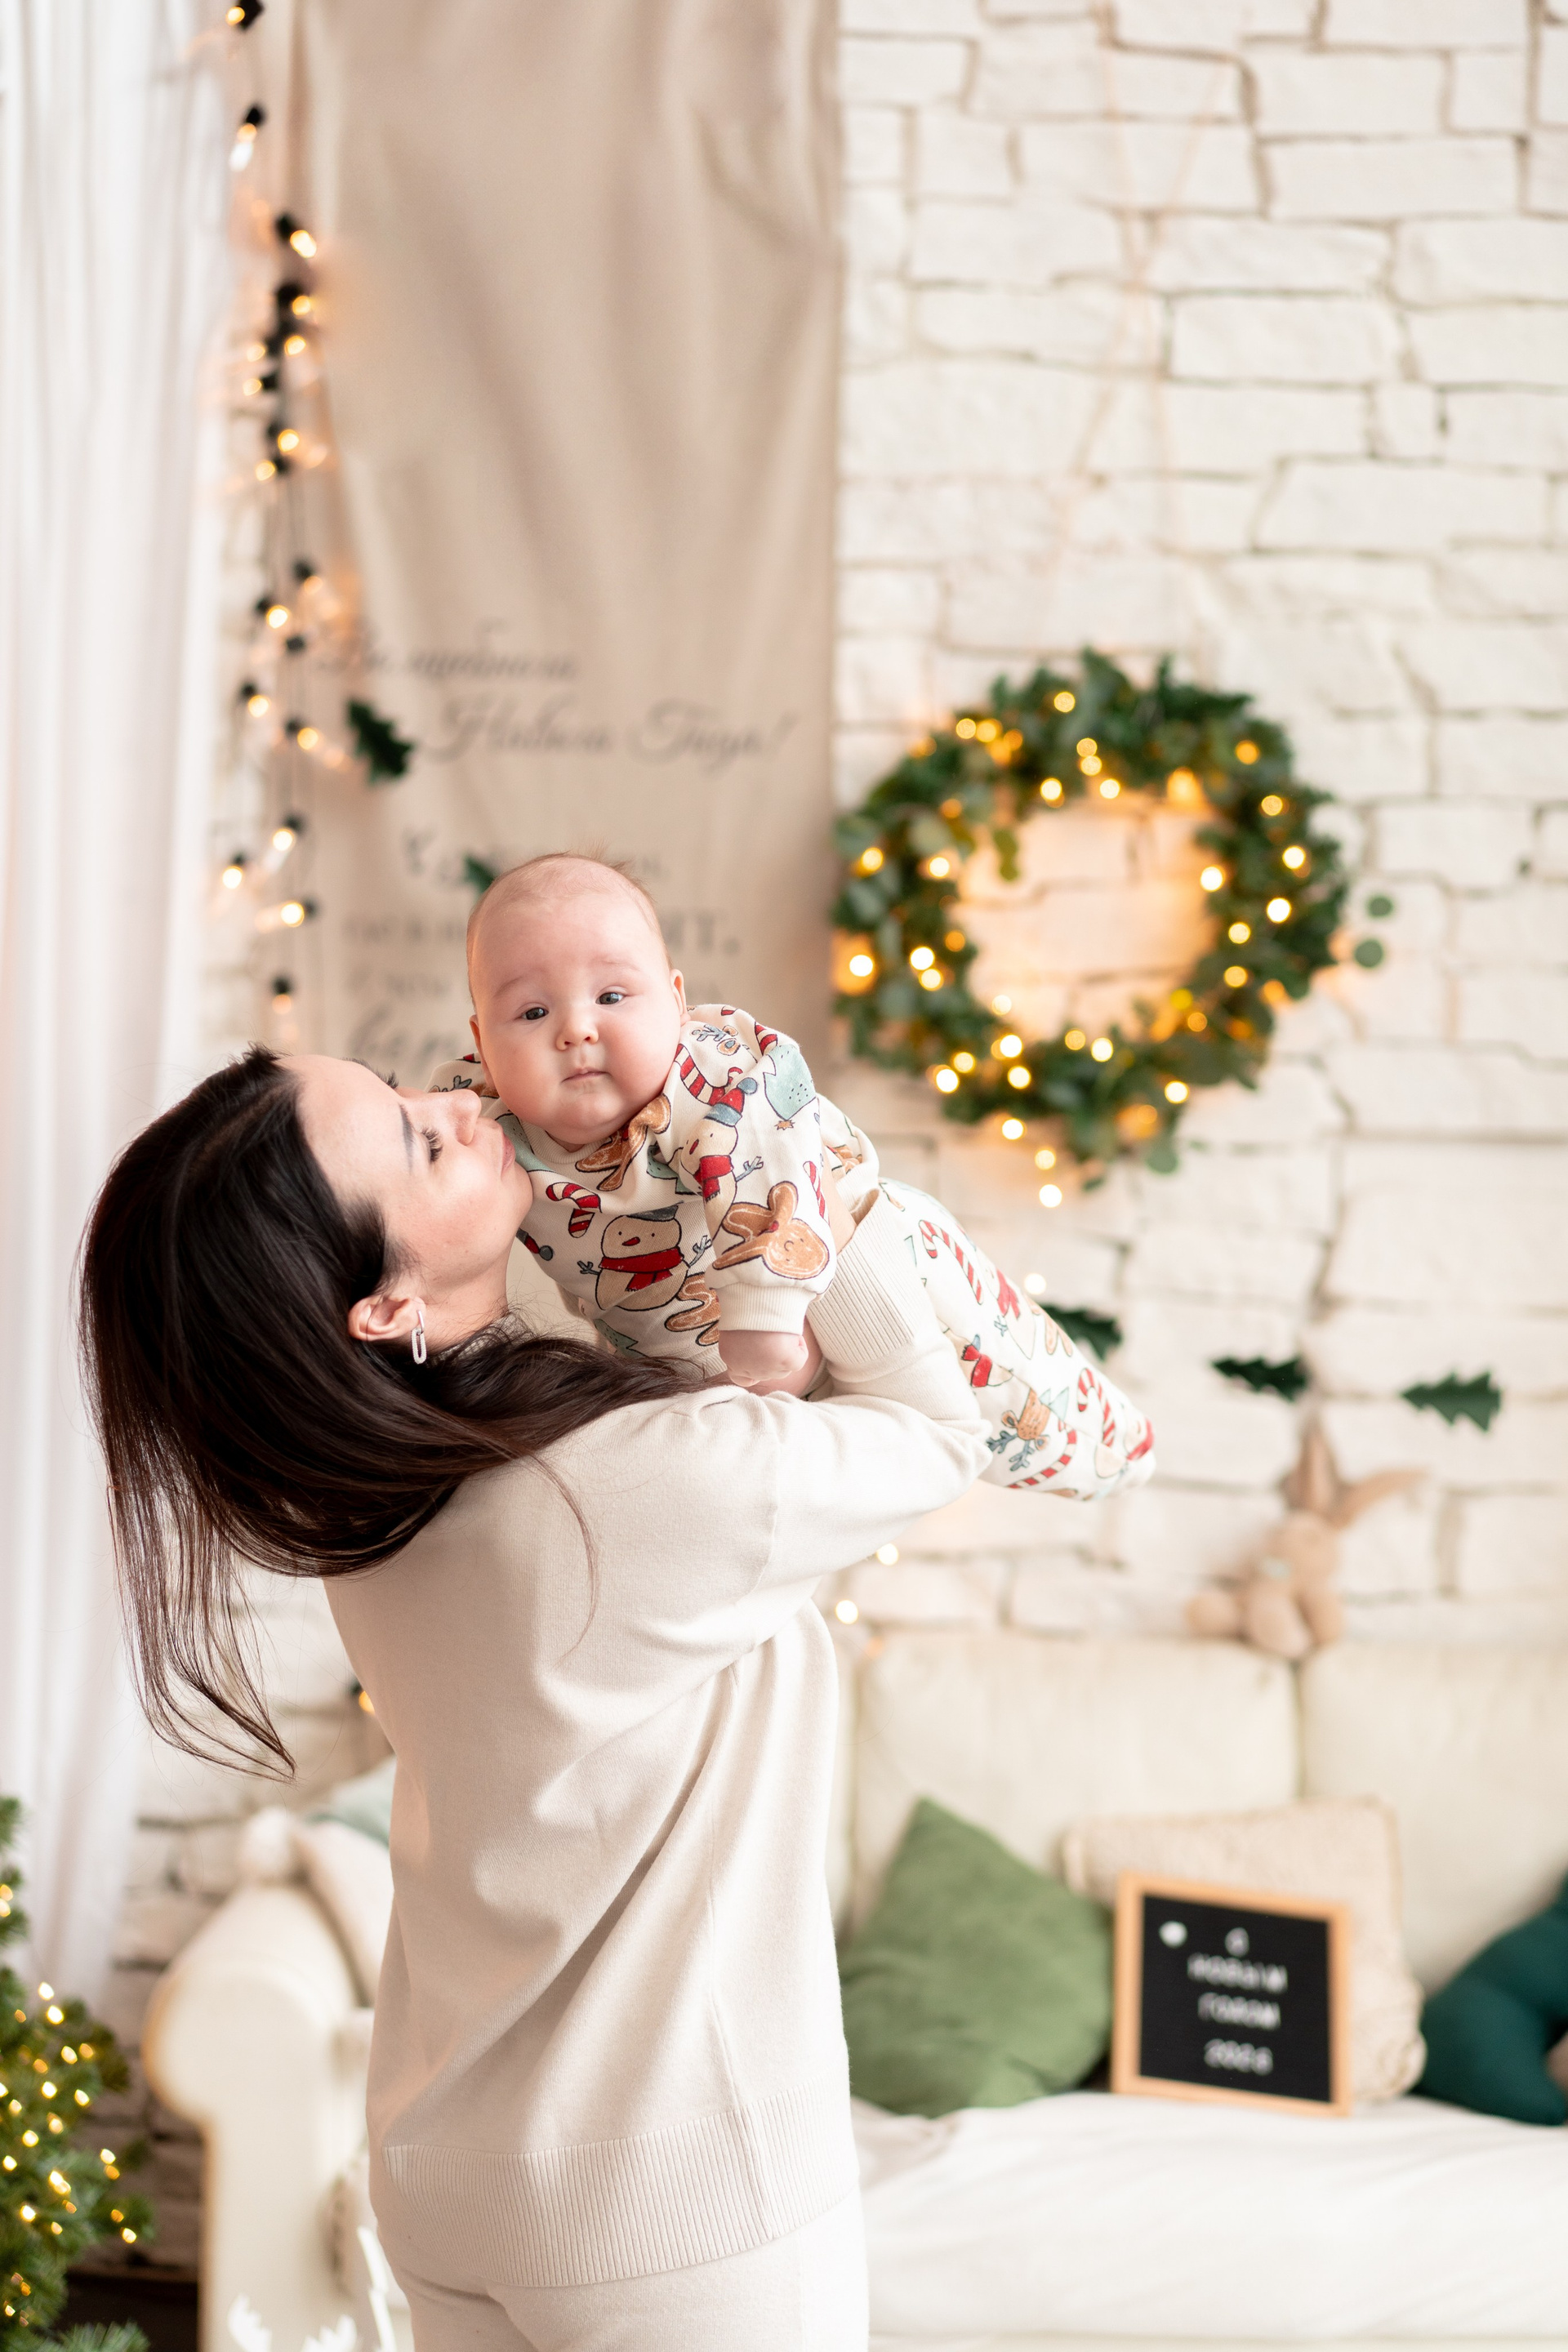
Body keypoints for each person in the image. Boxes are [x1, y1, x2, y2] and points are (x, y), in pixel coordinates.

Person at [79, 1041, 1000, 2351]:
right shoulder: (621, 1487)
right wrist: (794, 1169)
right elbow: (942, 1432)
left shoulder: (371, 1523)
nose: (460, 1105)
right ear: (383, 1306)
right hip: (673, 2217)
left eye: (410, 1093)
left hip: (452, 2174)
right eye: (419, 1141)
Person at [432, 853, 1155, 1498]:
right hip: (720, 1368)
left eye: (612, 996)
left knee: (1015, 1399)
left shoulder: (712, 1076)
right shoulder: (479, 1123)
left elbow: (767, 1171)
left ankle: (1119, 1449)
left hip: (873, 1266)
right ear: (482, 1043)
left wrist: (764, 1310)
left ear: (676, 1001)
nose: (576, 1029)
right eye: (532, 1011)